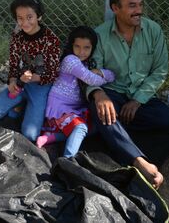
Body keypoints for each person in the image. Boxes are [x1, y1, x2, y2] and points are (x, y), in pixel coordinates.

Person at [87, 0, 169, 189]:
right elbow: (91, 72)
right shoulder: (99, 35)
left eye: (141, 4)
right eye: (132, 6)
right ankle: (139, 161)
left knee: (165, 118)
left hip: (140, 96)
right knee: (100, 109)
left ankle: (112, 130)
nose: (139, 10)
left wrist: (137, 100)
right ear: (115, 8)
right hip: (113, 93)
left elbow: (160, 71)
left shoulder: (153, 30)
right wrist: (98, 94)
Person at [0, 0, 61, 142]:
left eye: (29, 17)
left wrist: (32, 78)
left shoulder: (51, 40)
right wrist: (13, 82)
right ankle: (21, 103)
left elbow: (53, 74)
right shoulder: (17, 37)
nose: (25, 22)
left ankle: (24, 107)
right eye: (20, 18)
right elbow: (13, 64)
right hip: (21, 82)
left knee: (30, 134)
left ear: (39, 16)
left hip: (41, 85)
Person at [37, 26, 115, 157]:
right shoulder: (70, 61)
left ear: (92, 48)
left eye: (86, 48)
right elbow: (92, 80)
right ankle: (68, 160)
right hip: (60, 107)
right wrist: (103, 75)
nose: (81, 52)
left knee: (96, 127)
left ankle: (51, 137)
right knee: (81, 128)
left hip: (75, 108)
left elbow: (111, 75)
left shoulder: (86, 64)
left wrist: (101, 72)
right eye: (77, 46)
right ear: (71, 46)